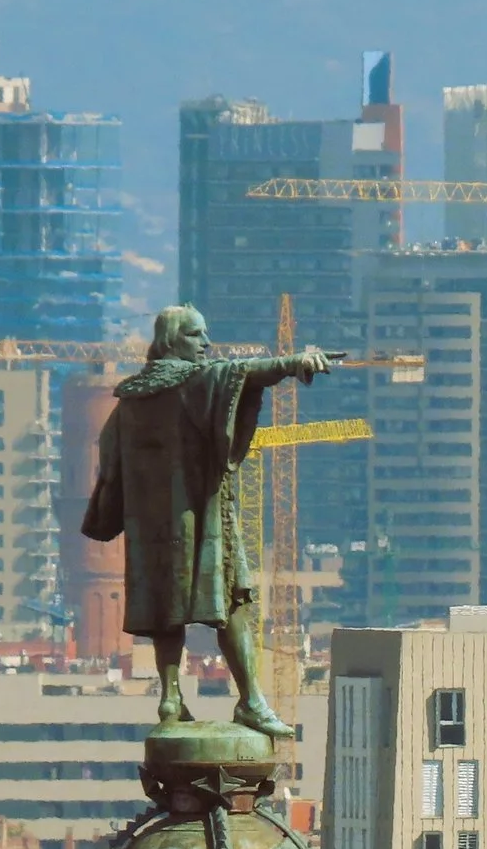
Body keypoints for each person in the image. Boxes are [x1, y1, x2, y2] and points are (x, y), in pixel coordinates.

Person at [82, 304, 328, 736]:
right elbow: (240, 373)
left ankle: (171, 697)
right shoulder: (190, 382)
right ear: (172, 342)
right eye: (197, 335)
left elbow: (108, 460)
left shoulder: (130, 401)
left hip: (151, 529)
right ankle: (251, 699)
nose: (206, 344)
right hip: (202, 518)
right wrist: (292, 363)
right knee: (234, 602)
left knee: (164, 609)